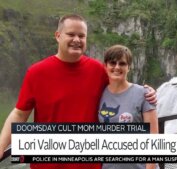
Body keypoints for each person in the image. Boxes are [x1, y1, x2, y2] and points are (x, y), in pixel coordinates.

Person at [0, 14, 157, 169]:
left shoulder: (98, 71)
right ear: (58, 36)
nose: (77, 40)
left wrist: (147, 92)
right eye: (71, 34)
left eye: (81, 36)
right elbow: (20, 114)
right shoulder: (36, 73)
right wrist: (1, 147)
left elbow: (122, 86)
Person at [98, 45, 159, 169]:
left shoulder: (143, 94)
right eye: (112, 63)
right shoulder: (99, 93)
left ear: (129, 67)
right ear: (105, 66)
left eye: (122, 63)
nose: (117, 67)